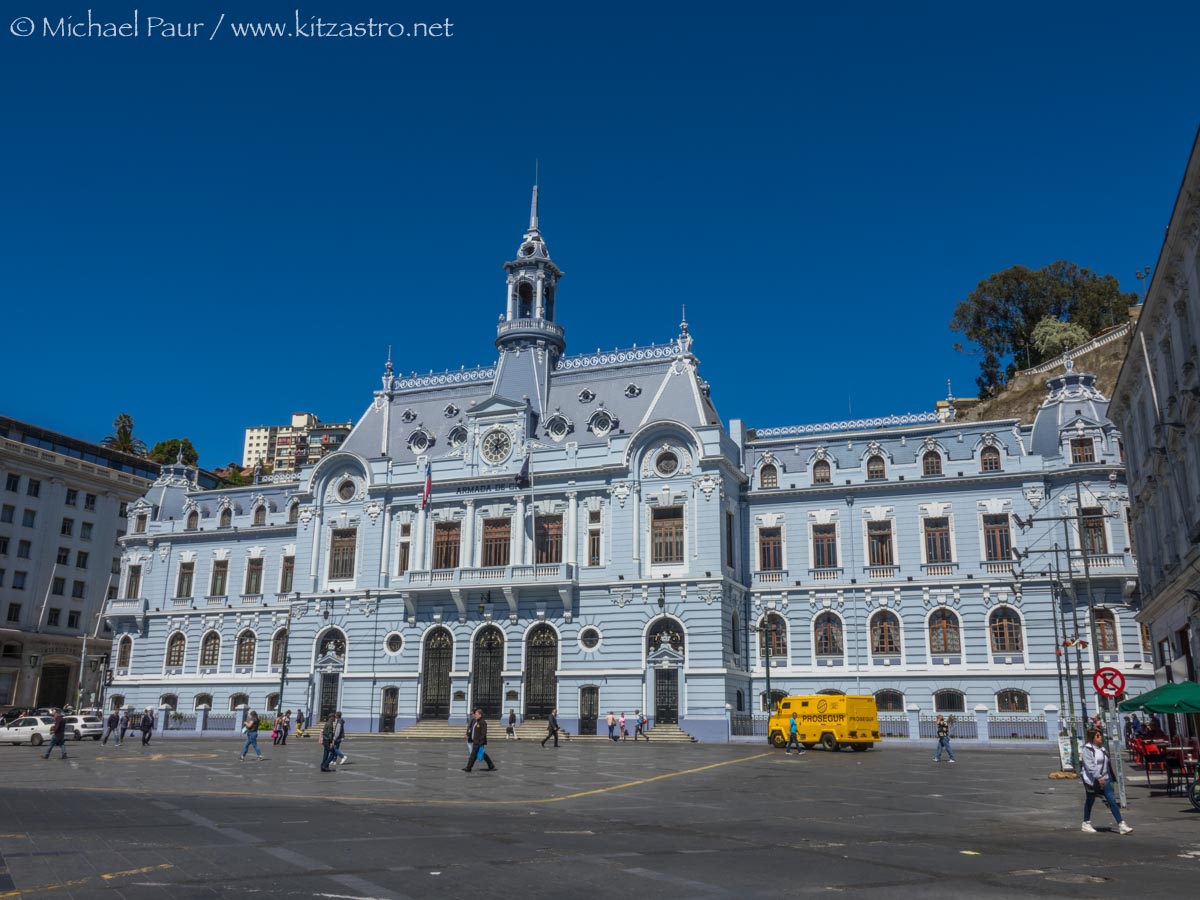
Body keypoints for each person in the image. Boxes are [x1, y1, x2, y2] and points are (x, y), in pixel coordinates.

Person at [1081, 728, 1132, 834]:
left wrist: (1108, 776)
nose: (1100, 738)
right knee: (1090, 801)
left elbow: (1107, 763)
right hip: (1092, 780)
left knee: (1112, 801)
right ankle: (1086, 823)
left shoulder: (1103, 749)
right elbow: (1089, 765)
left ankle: (1121, 824)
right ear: (1092, 738)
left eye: (1100, 735)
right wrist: (1098, 777)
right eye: (1098, 736)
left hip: (1105, 778)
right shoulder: (1087, 749)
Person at [463, 708, 496, 772]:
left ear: (480, 715)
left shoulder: (482, 722)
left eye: (476, 714)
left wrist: (480, 742)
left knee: (473, 755)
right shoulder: (477, 721)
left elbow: (483, 733)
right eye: (475, 714)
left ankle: (468, 767)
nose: (475, 715)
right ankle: (491, 764)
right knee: (481, 754)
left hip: (478, 742)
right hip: (475, 741)